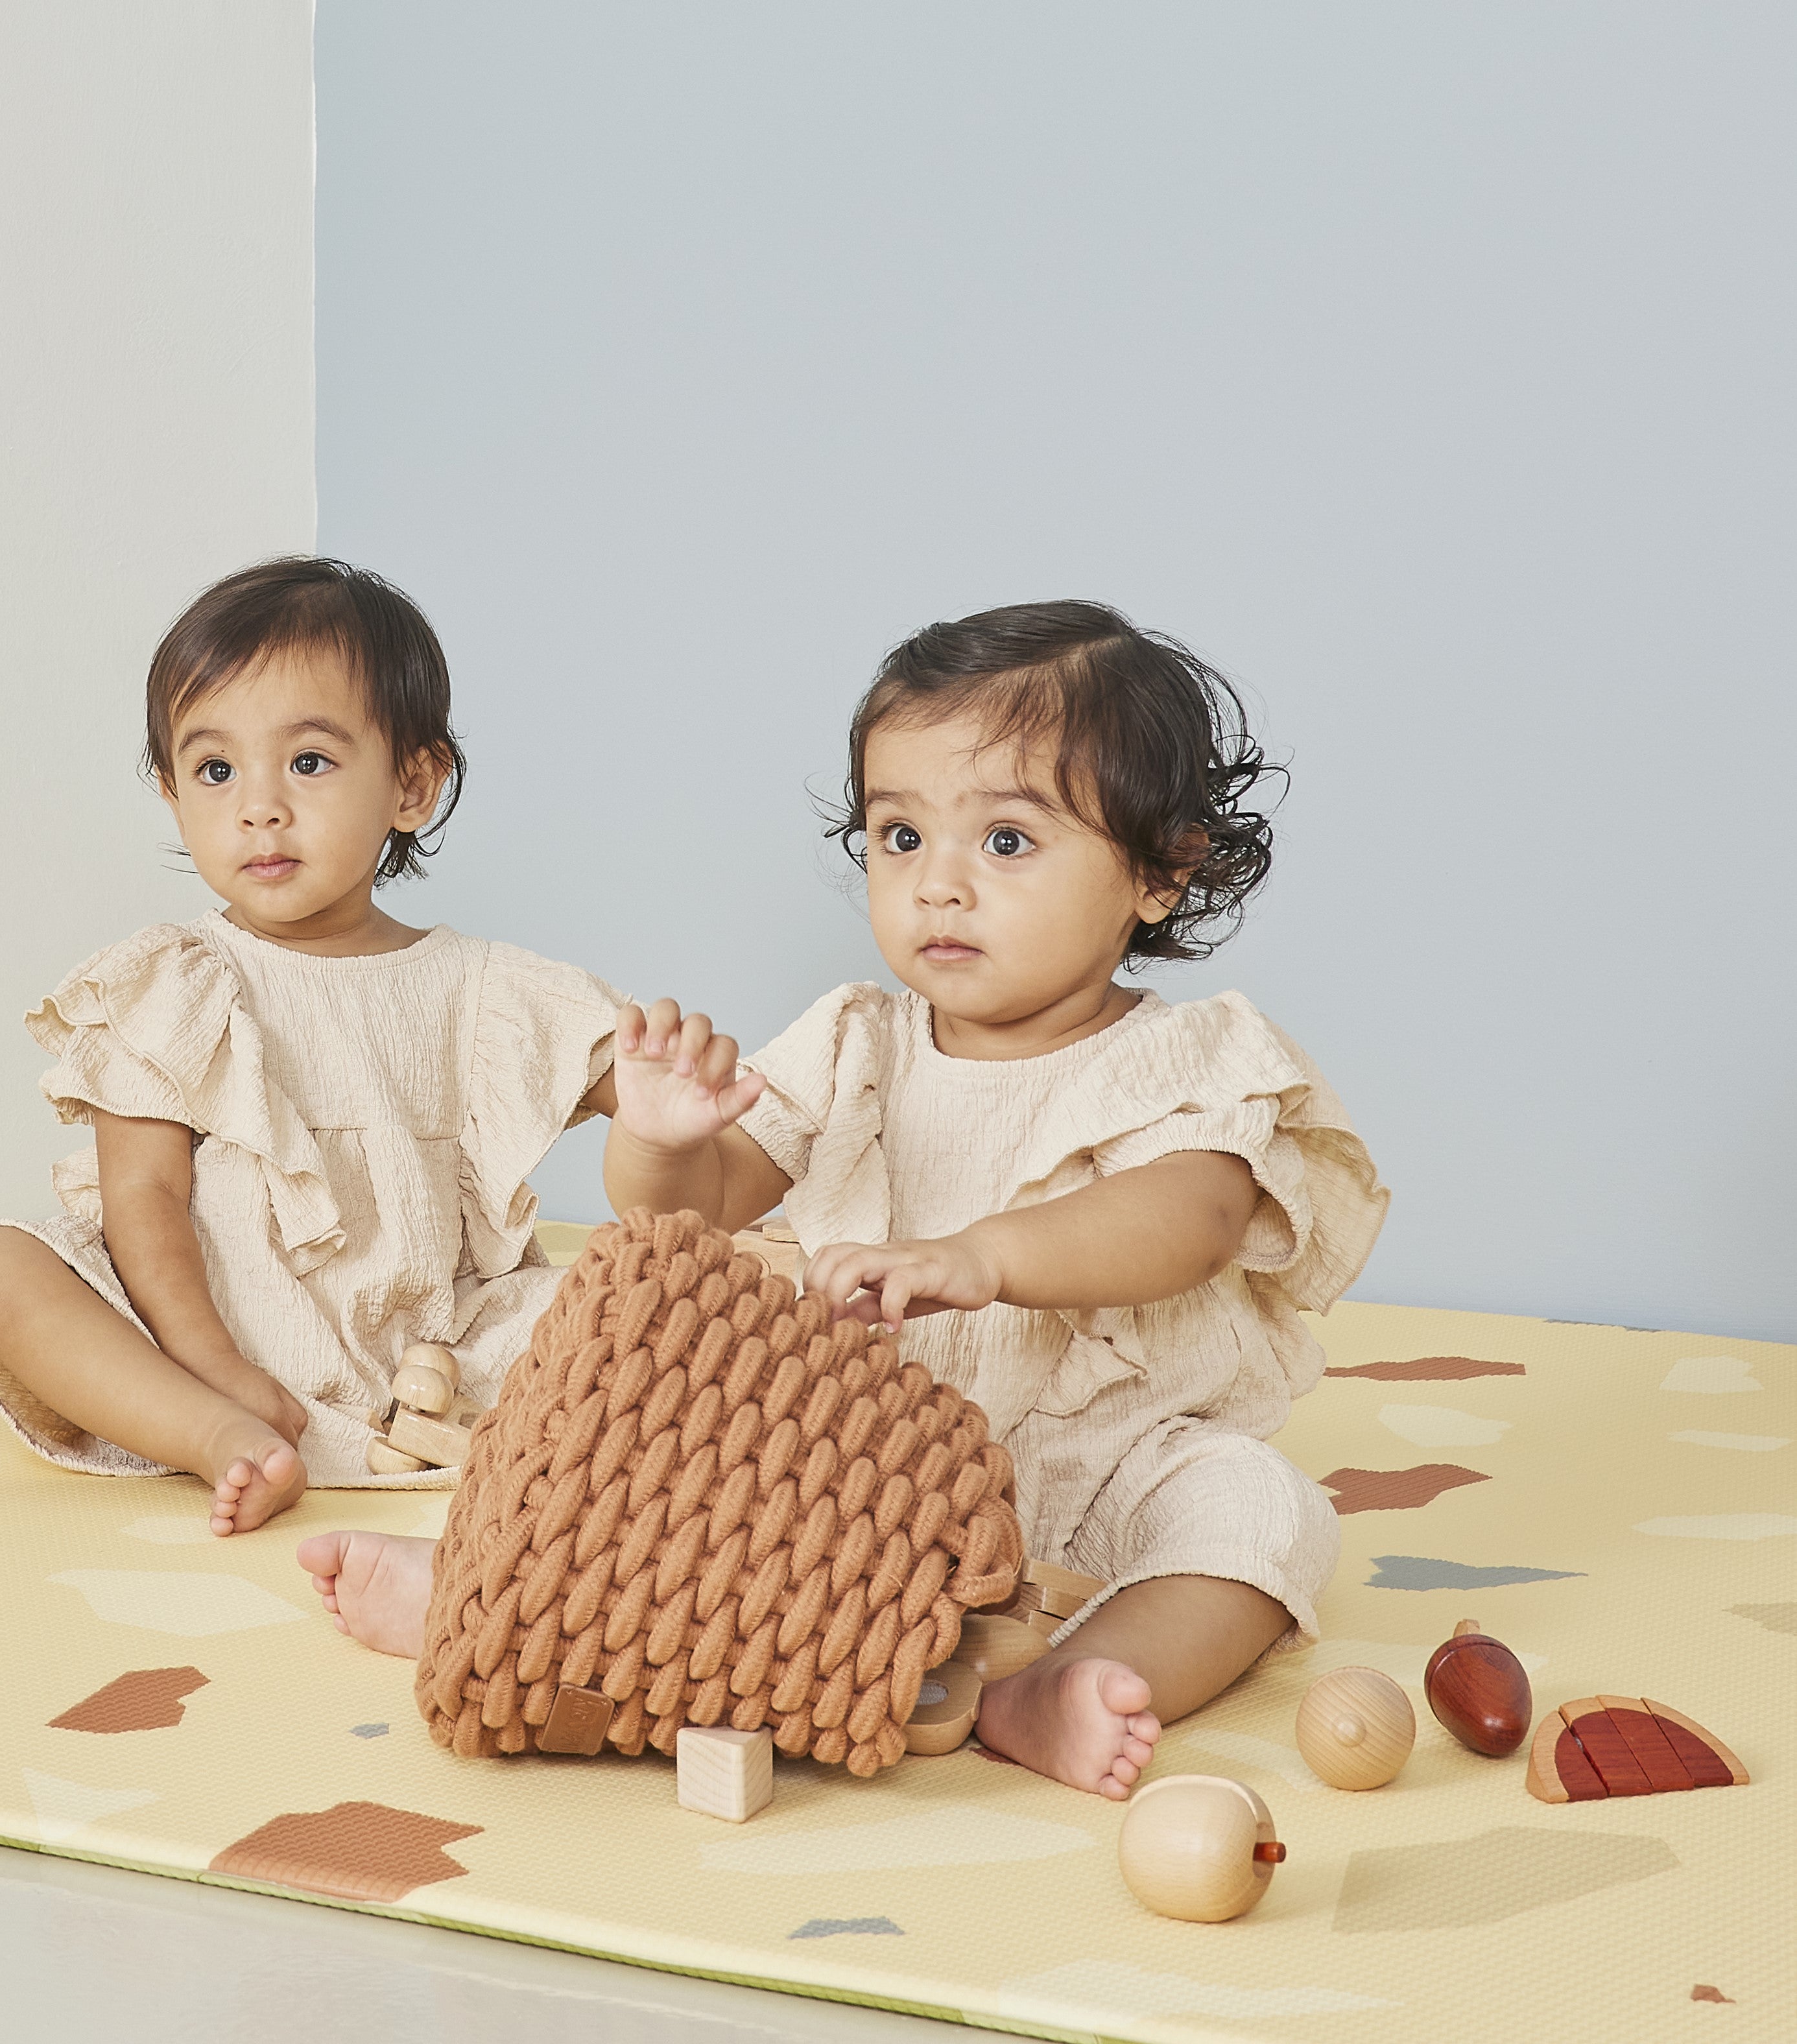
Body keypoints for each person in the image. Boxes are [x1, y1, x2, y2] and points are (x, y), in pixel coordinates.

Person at [303, 600, 1386, 1797]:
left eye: (1008, 844)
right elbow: (698, 1213)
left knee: (1263, 1516)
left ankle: (1053, 1685)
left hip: (1104, 1462)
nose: (939, 888)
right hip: (849, 1470)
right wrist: (662, 1142)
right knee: (658, 1467)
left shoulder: (1194, 1059)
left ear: (1161, 874)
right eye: (900, 838)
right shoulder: (855, 1039)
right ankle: (497, 1592)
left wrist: (983, 1257)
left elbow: (1191, 1219)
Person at [0, 558, 624, 1535]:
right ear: (174, 793)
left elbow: (629, 1079)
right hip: (203, 1334)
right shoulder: (178, 979)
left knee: (635, 1298)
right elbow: (141, 1197)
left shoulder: (481, 985)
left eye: (307, 763)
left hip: (431, 1348)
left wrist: (669, 1076)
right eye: (215, 771)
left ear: (412, 783)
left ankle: (431, 1433)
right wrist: (217, 1369)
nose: (257, 806)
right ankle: (213, 1435)